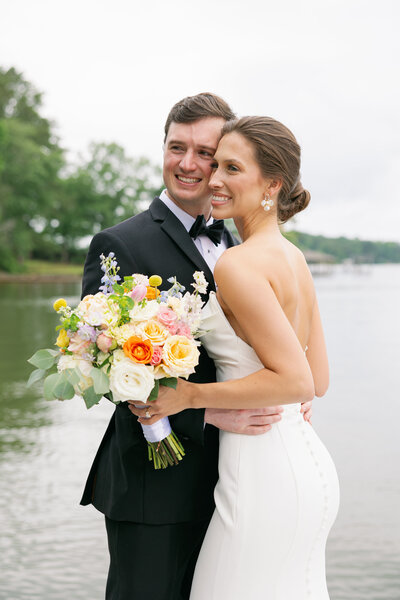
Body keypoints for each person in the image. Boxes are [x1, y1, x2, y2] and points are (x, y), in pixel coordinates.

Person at [80, 94, 311, 600]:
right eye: (175, 147)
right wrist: (204, 415)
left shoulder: (242, 244)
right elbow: (107, 371)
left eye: (205, 153)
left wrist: (294, 395)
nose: (188, 164)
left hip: (239, 479)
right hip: (153, 489)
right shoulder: (120, 245)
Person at [133, 116, 340, 599]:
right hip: (306, 463)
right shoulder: (292, 256)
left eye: (231, 168)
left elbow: (299, 381)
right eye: (216, 164)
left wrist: (188, 396)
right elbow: (319, 379)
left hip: (261, 473)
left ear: (272, 185)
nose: (215, 179)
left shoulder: (238, 261)